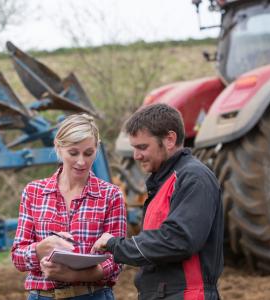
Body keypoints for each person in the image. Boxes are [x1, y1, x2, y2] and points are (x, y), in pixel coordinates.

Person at [92, 104, 223, 300]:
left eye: (143, 147)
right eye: (134, 148)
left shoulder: (194, 178)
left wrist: (116, 246)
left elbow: (179, 239)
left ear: (170, 139)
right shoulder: (163, 182)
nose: (136, 156)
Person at [11, 113, 127, 300]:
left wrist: (75, 275)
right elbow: (18, 256)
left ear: (96, 149)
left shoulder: (110, 195)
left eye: (88, 153)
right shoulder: (34, 192)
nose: (81, 161)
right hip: (42, 296)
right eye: (73, 153)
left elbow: (117, 260)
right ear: (58, 147)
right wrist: (42, 248)